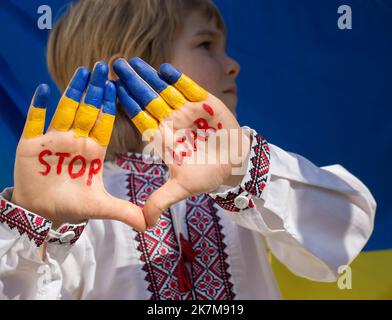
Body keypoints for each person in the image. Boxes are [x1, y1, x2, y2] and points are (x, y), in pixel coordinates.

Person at [0, 0, 376, 299]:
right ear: (133, 64)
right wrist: (34, 225)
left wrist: (244, 167)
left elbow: (344, 236)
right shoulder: (80, 203)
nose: (233, 65)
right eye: (206, 44)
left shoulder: (240, 184)